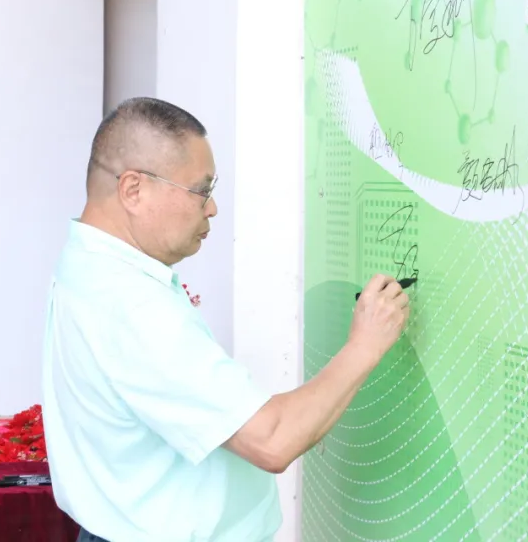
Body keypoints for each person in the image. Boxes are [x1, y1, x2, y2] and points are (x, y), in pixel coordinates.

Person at [42, 97, 410, 542]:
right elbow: (272, 440)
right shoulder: (132, 305)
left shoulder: (86, 260)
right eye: (201, 191)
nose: (212, 208)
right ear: (133, 190)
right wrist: (364, 346)